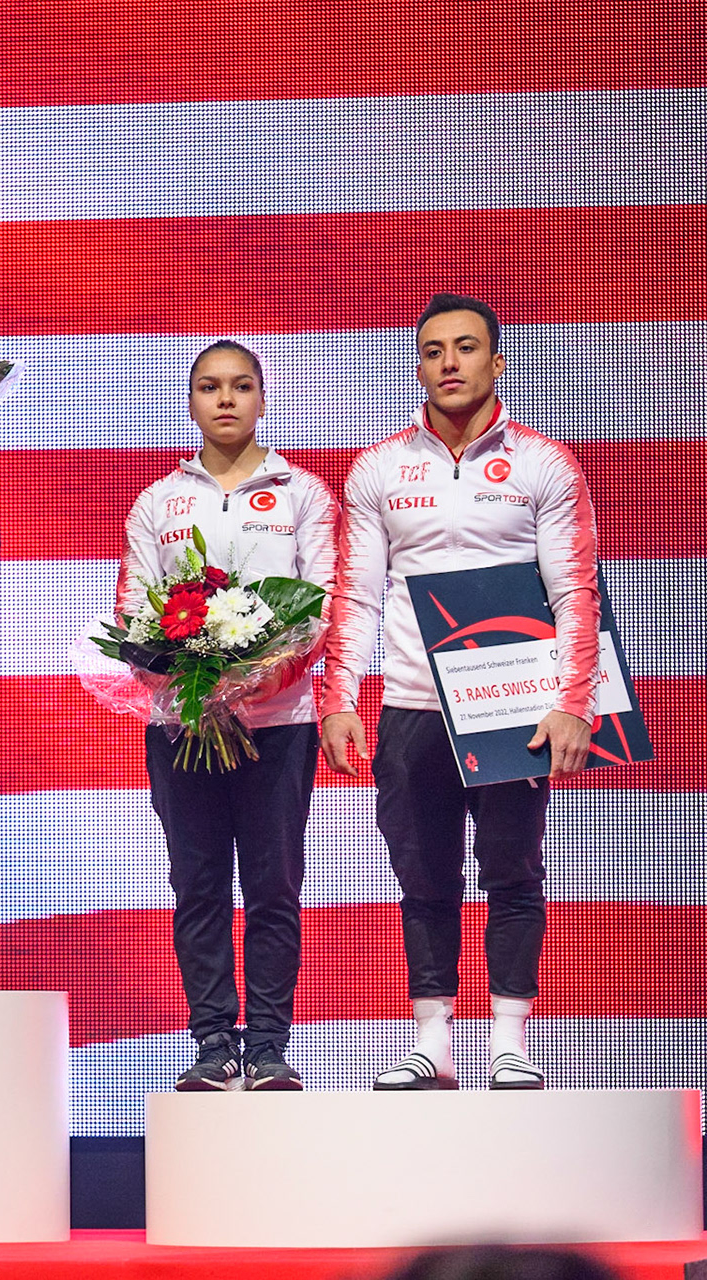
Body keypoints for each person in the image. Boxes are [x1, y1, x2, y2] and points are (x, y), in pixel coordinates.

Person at [320, 293, 599, 1090]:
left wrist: (572, 700)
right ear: (419, 365)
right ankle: (433, 1040)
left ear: (496, 361)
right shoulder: (379, 467)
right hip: (411, 704)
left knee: (513, 869)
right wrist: (339, 698)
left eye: (466, 347)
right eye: (434, 350)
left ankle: (510, 1039)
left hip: (515, 706)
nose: (449, 362)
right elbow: (357, 596)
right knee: (423, 874)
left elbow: (573, 590)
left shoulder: (545, 463)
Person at [117, 341, 338, 1090]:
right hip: (181, 726)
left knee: (274, 886)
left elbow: (319, 608)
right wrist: (194, 680)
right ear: (190, 404)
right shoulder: (158, 503)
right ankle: (213, 1042)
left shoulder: (303, 492)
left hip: (280, 725)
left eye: (242, 386)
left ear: (263, 400)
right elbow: (134, 610)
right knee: (199, 885)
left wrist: (254, 674)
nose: (226, 400)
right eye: (210, 387)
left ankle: (270, 1047)